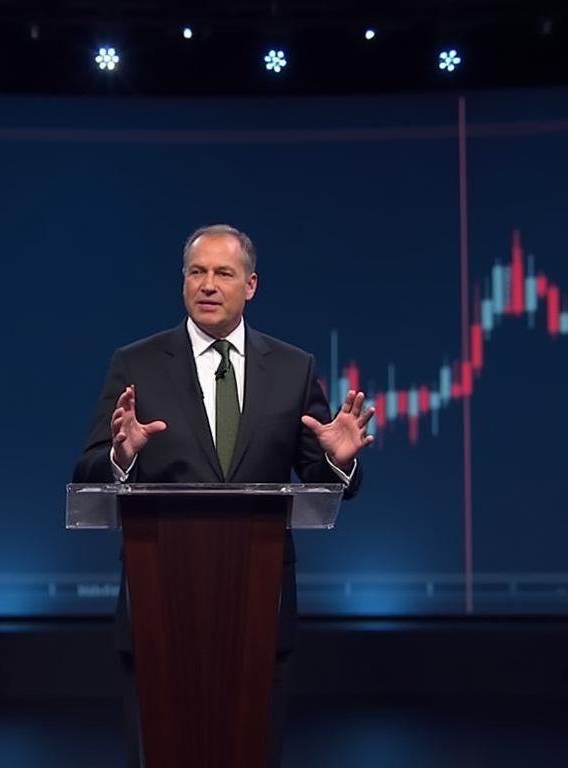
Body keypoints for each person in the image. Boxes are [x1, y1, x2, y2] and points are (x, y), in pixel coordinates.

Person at [72, 224, 373, 766]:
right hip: (159, 604)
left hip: (260, 608)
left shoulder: (293, 368)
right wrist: (122, 456)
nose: (208, 284)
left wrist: (338, 460)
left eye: (223, 273)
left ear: (250, 285)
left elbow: (322, 481)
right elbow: (90, 469)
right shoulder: (137, 364)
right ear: (183, 281)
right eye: (197, 272)